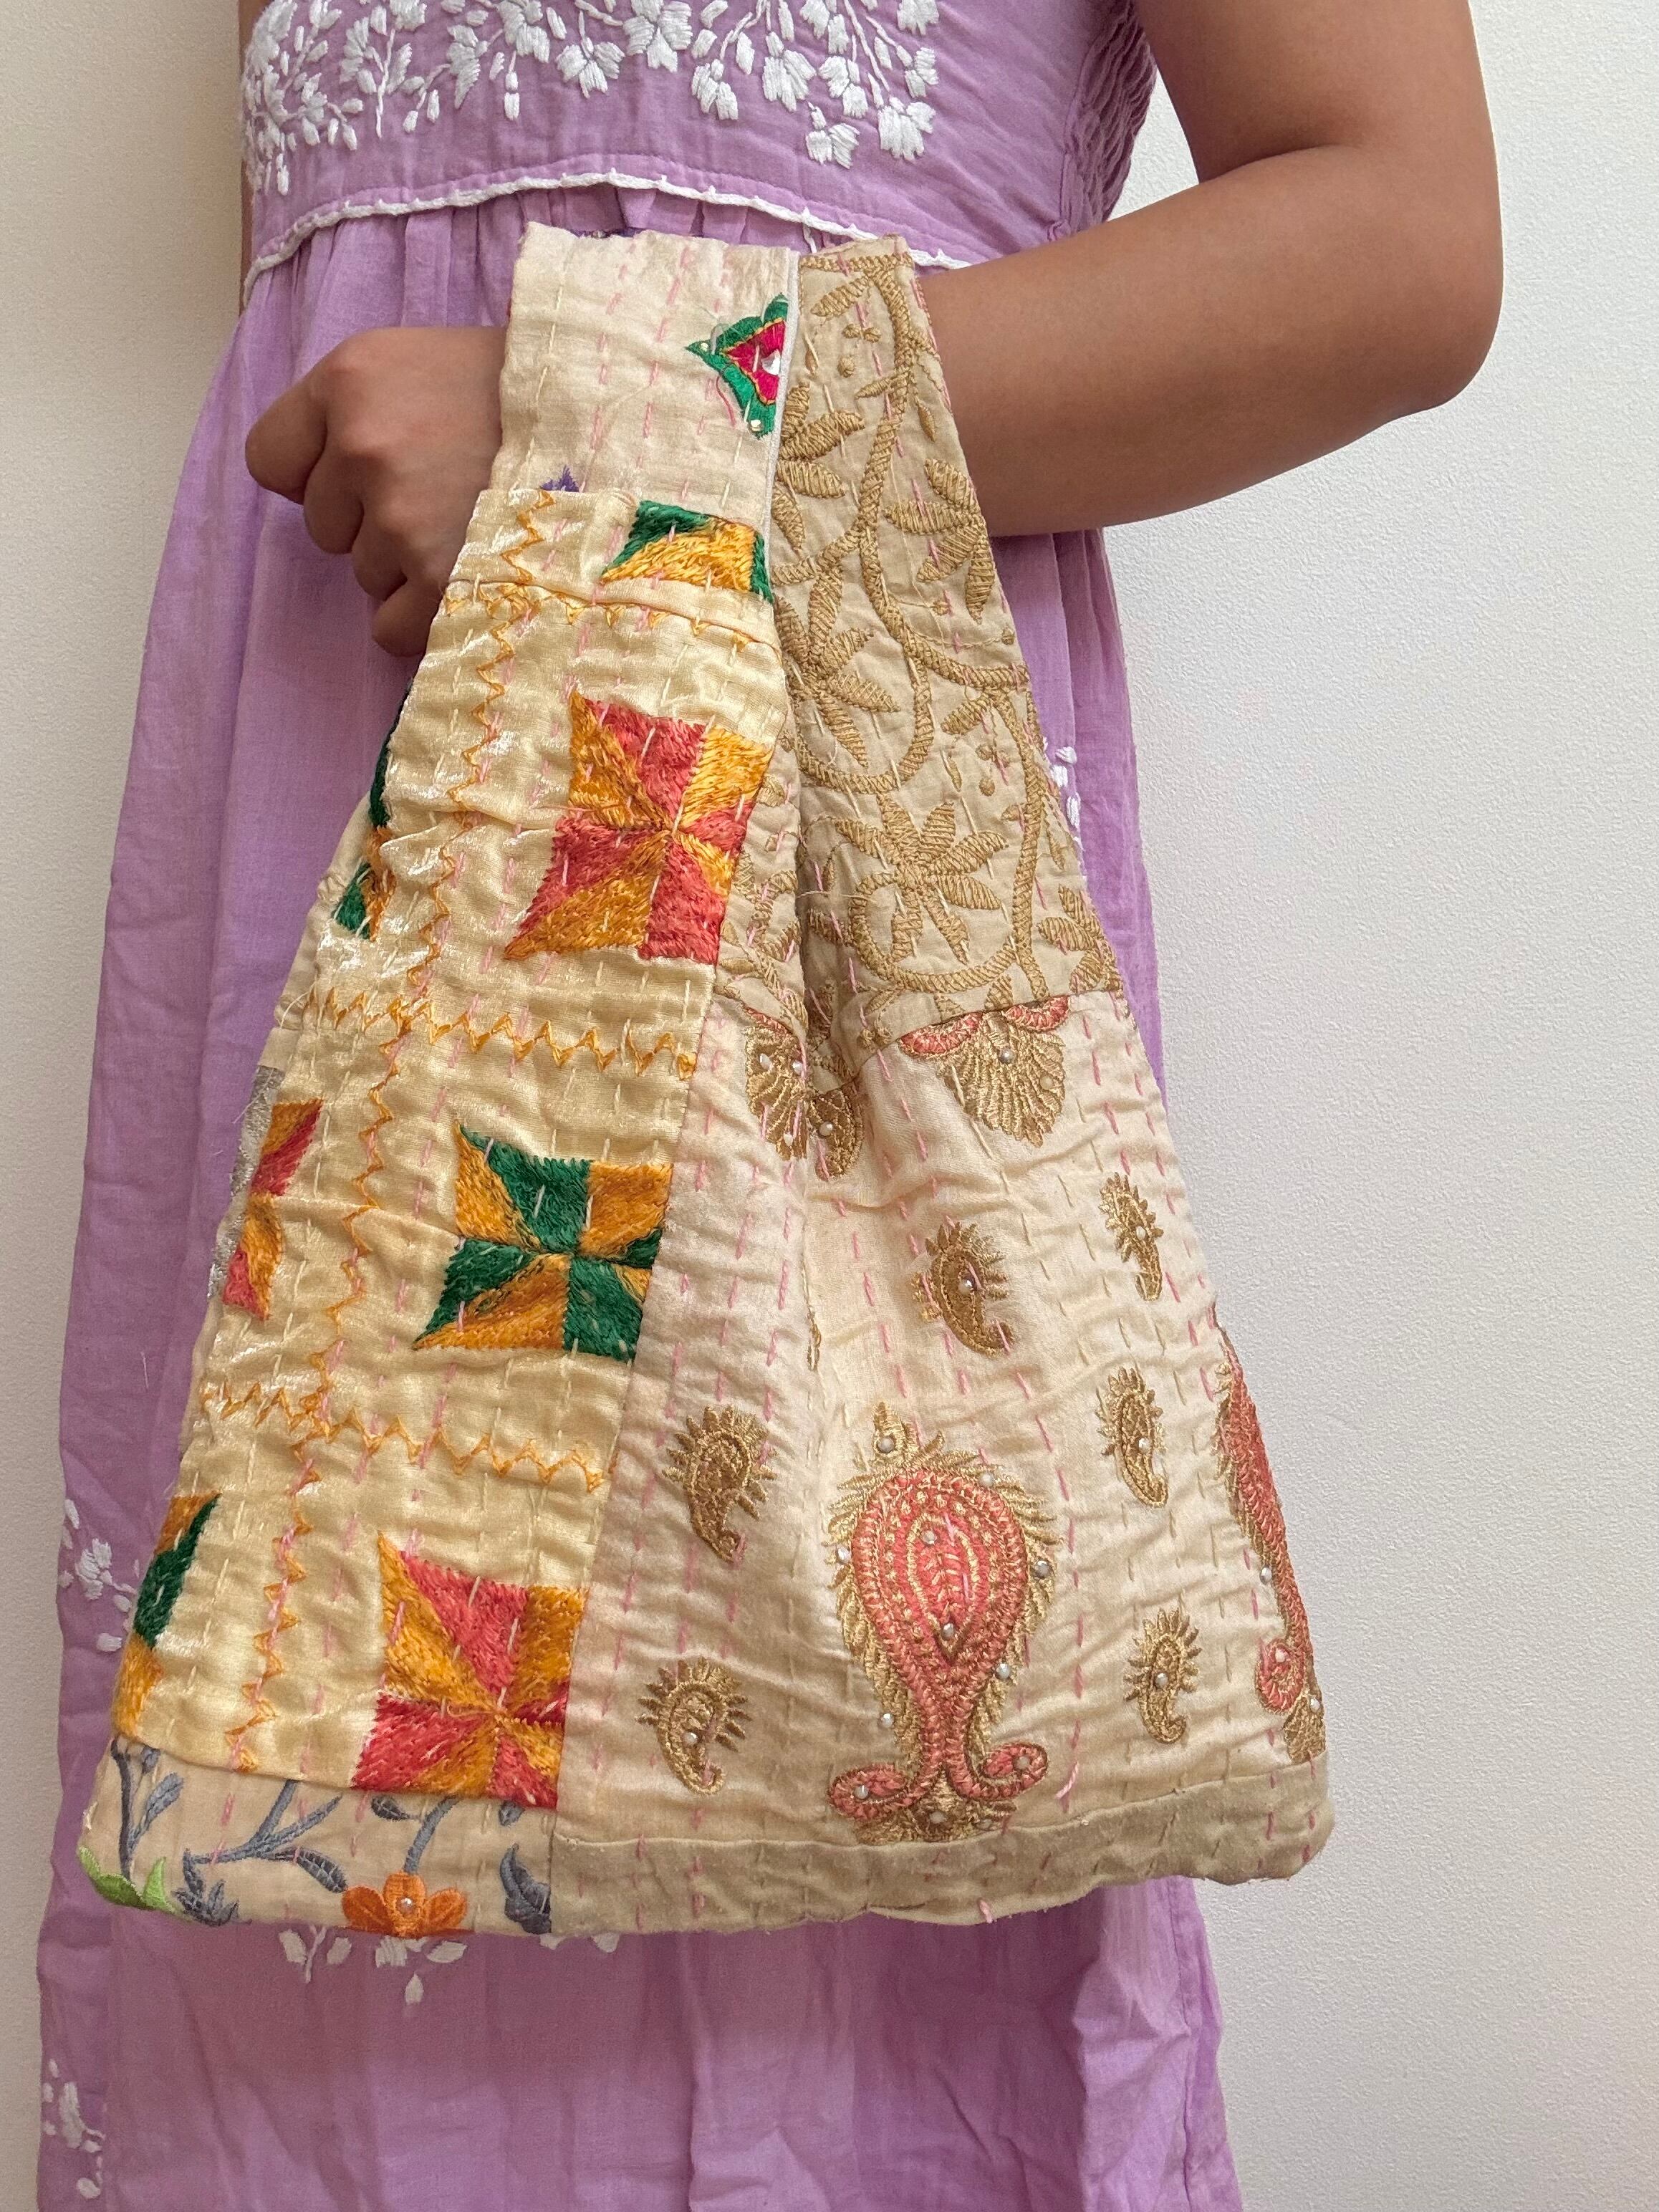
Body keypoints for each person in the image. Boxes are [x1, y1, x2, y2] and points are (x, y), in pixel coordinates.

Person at [41, 3, 1498, 2206]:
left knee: (836, 1793)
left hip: (796, 912)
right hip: (340, 925)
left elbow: (1397, 236)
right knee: (310, 1824)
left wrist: (608, 405)